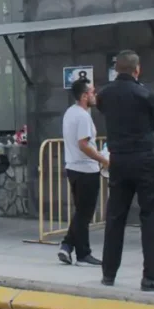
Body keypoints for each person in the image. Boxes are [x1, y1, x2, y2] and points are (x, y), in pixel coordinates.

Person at [97, 50, 154, 292]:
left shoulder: (104, 95)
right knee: (150, 217)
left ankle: (109, 273)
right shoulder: (145, 94)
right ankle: (151, 276)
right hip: (142, 158)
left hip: (118, 160)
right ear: (137, 69)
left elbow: (103, 111)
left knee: (115, 217)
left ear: (116, 69)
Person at [58, 79, 106, 266]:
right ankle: (83, 254)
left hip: (73, 167)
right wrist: (104, 160)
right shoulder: (83, 116)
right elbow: (84, 144)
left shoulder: (70, 112)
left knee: (81, 212)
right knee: (84, 214)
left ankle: (67, 246)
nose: (95, 95)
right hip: (86, 169)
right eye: (93, 92)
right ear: (84, 96)